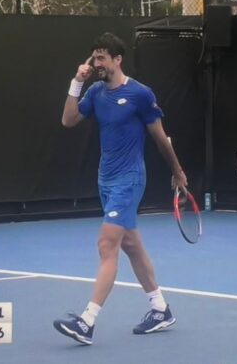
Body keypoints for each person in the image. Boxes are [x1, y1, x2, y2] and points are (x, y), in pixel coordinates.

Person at [54, 32, 188, 345]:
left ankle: (87, 321)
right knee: (130, 245)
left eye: (102, 57)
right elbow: (68, 120)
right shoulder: (96, 92)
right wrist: (77, 82)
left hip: (130, 179)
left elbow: (160, 137)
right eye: (94, 58)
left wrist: (178, 172)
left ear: (118, 59)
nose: (97, 63)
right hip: (106, 180)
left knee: (107, 245)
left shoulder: (140, 94)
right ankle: (160, 309)